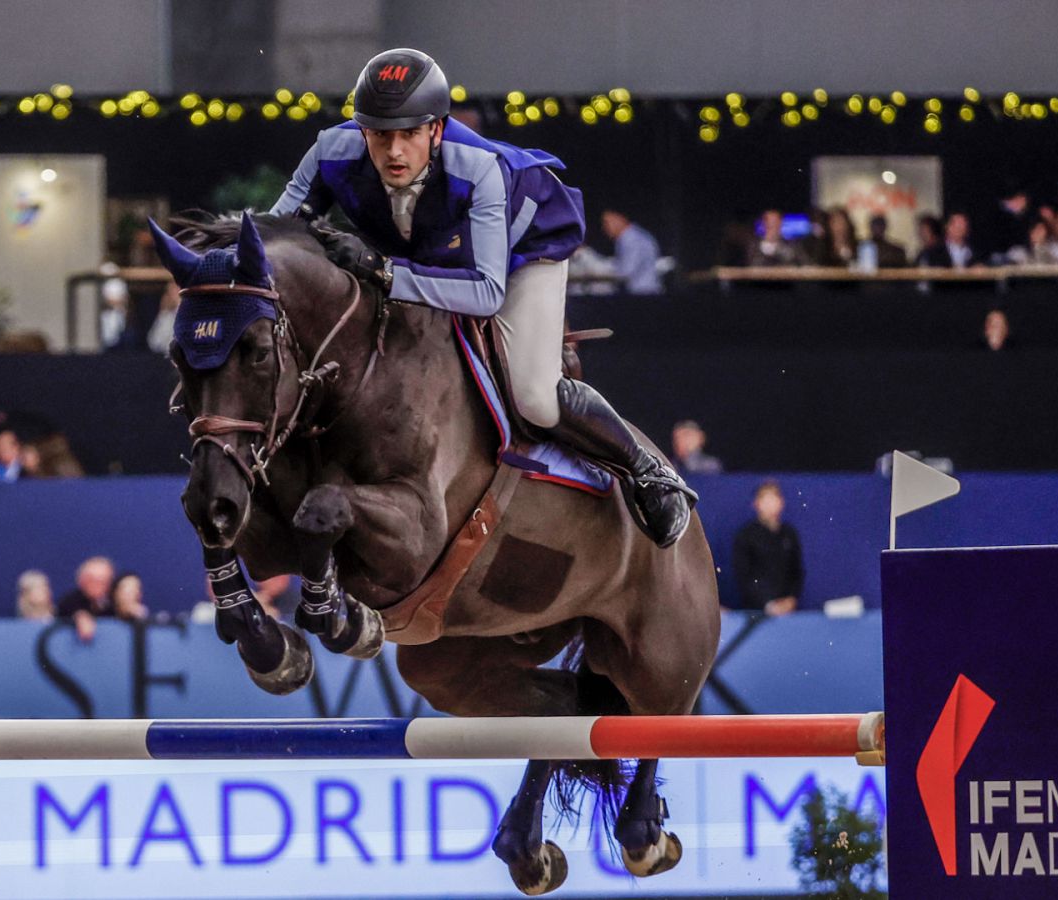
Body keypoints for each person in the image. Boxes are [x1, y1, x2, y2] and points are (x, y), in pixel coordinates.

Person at [269, 47, 692, 546]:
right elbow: (274, 243)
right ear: (362, 131)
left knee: (533, 394)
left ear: (437, 130)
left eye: (410, 133)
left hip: (522, 246)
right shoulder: (329, 152)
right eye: (381, 135)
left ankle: (648, 472)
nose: (395, 152)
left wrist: (383, 272)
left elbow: (485, 292)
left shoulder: (479, 168)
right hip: (425, 250)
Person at [731, 481, 804, 617]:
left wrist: (791, 600)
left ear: (781, 502)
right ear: (756, 504)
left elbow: (797, 572)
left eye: (774, 498)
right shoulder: (746, 536)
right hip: (756, 614)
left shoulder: (789, 534)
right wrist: (768, 604)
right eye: (766, 499)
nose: (770, 504)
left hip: (788, 613)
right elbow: (744, 576)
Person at [599, 209, 662, 293]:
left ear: (620, 219)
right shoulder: (626, 238)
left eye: (606, 222)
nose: (604, 227)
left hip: (643, 294)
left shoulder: (633, 240)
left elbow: (626, 272)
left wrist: (600, 271)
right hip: (638, 293)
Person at [57, 556, 115, 641]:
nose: (98, 586)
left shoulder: (112, 603)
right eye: (93, 580)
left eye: (104, 581)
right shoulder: (69, 602)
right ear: (81, 581)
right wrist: (80, 616)